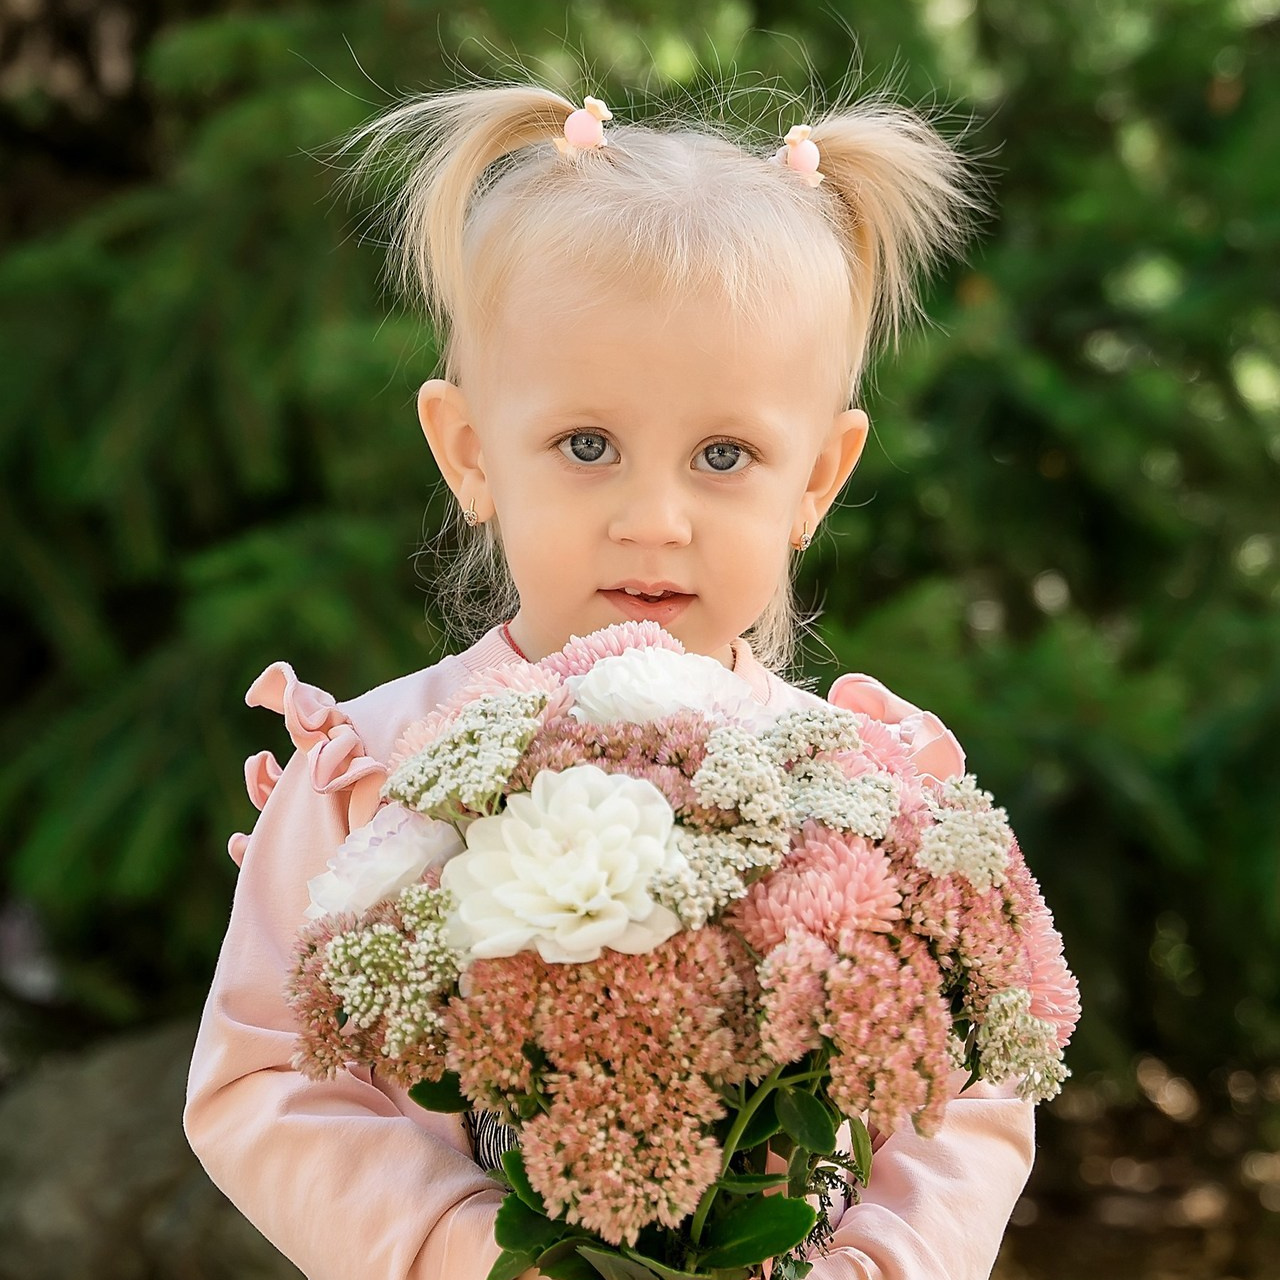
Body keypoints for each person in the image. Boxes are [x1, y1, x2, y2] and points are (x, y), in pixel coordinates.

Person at [184, 78, 1035, 1280]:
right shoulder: (372, 774)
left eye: (723, 454)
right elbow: (262, 1076)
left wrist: (873, 1268)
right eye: (586, 445)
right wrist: (476, 1254)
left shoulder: (870, 792)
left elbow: (970, 1103)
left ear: (817, 480)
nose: (653, 518)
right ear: (470, 451)